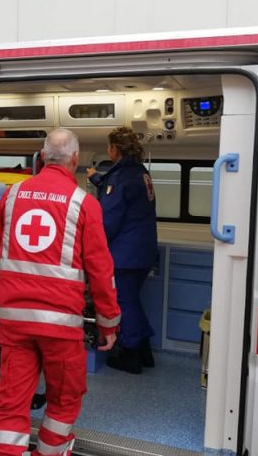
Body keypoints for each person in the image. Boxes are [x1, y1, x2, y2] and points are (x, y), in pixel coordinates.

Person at [0, 128, 121, 456]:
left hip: (14, 326)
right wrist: (109, 325)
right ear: (74, 160)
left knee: (11, 405)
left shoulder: (12, 195)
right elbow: (101, 273)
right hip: (60, 327)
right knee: (64, 399)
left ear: (42, 157)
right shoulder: (84, 204)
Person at [87, 126, 157, 374]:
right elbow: (115, 188)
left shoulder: (120, 177)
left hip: (125, 255)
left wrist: (91, 245)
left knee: (123, 302)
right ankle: (144, 350)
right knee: (132, 301)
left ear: (114, 149)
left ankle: (131, 353)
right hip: (143, 251)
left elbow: (109, 220)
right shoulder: (139, 172)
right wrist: (96, 178)